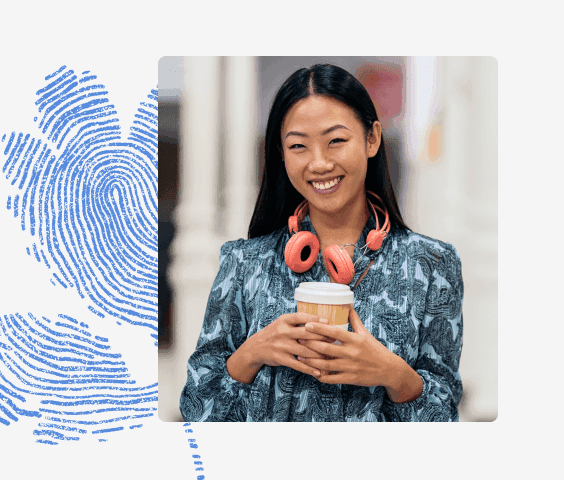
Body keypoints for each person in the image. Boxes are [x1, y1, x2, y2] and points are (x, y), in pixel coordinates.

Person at [179, 64, 463, 422]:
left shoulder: (433, 264)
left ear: (371, 139)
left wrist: (394, 375)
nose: (319, 163)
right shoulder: (244, 262)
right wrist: (251, 353)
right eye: (298, 146)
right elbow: (195, 409)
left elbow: (445, 417)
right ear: (281, 154)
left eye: (336, 140)